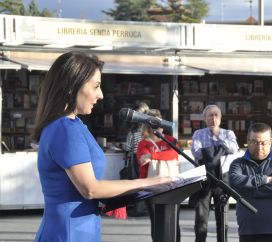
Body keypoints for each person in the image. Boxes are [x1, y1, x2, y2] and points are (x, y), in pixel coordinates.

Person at [32, 51, 172, 242]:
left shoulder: (72, 125)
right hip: (69, 232)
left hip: (77, 227)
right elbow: (90, 188)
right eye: (96, 86)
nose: (101, 95)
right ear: (73, 86)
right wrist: (150, 182)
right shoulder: (65, 129)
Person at [229, 122, 272, 242]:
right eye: (254, 142)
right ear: (248, 141)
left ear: (270, 141)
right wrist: (263, 180)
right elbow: (234, 182)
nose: (259, 147)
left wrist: (246, 192)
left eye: (263, 143)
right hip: (248, 230)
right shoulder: (238, 164)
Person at [191, 104, 239, 242]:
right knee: (201, 218)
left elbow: (233, 149)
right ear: (204, 118)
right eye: (210, 115)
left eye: (216, 115)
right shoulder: (198, 134)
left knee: (222, 216)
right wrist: (219, 148)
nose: (213, 118)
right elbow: (197, 153)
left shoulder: (228, 133)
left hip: (222, 178)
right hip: (204, 177)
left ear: (220, 118)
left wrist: (217, 137)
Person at [136, 109, 181, 242]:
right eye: (154, 122)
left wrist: (153, 156)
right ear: (148, 124)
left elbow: (173, 154)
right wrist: (159, 157)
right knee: (156, 222)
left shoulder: (171, 140)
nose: (158, 125)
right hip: (151, 187)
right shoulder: (143, 143)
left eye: (159, 122)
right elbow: (142, 160)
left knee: (174, 221)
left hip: (172, 186)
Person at [123, 102, 149, 216]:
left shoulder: (133, 131)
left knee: (137, 181)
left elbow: (127, 147)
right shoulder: (148, 130)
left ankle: (139, 208)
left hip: (136, 157)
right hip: (147, 157)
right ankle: (145, 207)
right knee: (146, 181)